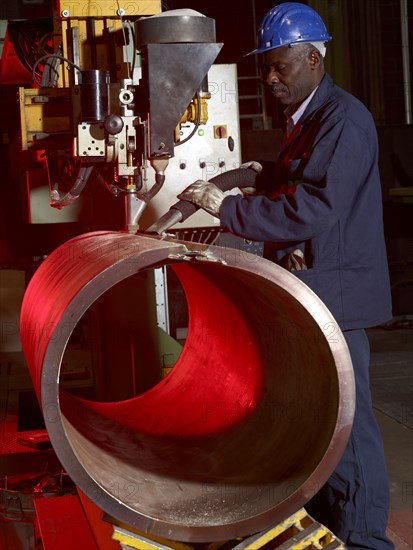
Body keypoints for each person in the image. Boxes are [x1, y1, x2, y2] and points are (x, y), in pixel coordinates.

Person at [177, 2, 394, 549]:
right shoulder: (309, 117)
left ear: (314, 59)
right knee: (318, 425)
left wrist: (227, 208)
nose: (271, 77)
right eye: (266, 66)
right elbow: (303, 178)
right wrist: (264, 173)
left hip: (338, 295)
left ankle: (368, 540)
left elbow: (315, 207)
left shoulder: (343, 119)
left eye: (282, 66)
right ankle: (328, 524)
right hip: (314, 293)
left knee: (350, 430)